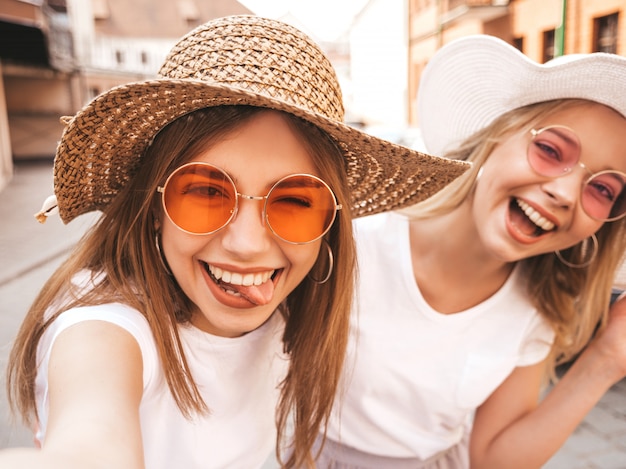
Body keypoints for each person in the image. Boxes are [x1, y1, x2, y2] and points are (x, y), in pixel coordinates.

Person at [0, 15, 469, 469]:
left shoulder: (291, 311)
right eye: (205, 191)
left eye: (294, 202)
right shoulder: (103, 330)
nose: (246, 244)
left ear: (330, 227)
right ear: (153, 209)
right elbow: (89, 439)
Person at [317, 34, 626, 468]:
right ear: (496, 138)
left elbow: (491, 459)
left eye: (602, 189)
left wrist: (608, 359)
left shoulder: (535, 311)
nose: (565, 193)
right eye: (550, 150)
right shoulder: (352, 243)